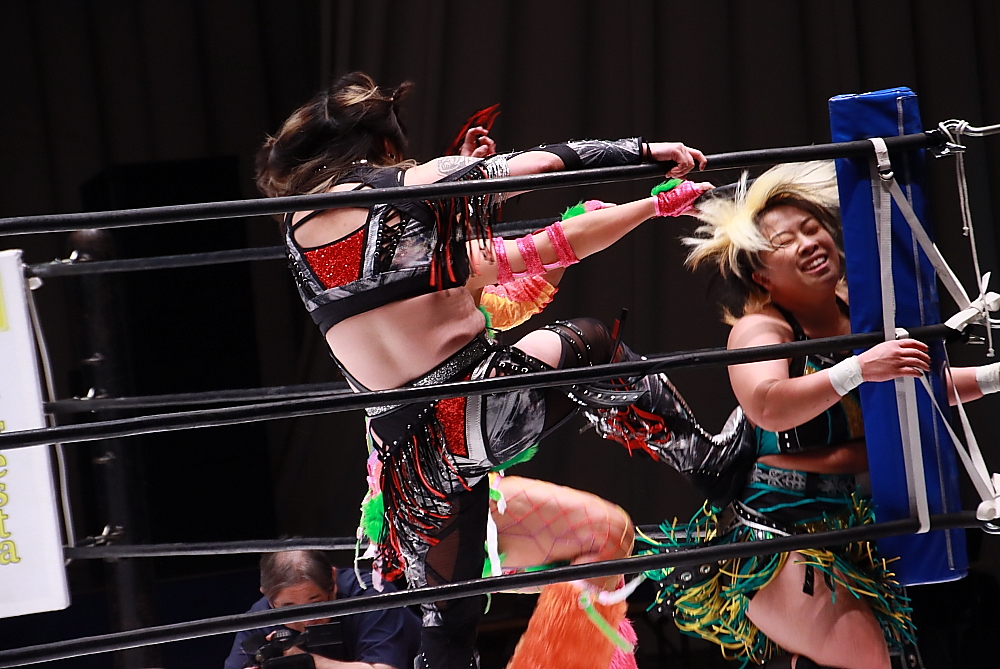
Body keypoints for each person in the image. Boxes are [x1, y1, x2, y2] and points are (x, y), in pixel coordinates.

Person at [255, 71, 740, 669]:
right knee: (591, 343)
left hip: (408, 471)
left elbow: (412, 263)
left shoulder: (299, 229)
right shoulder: (406, 190)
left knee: (449, 632)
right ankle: (708, 463)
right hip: (471, 411)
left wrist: (458, 183)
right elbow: (544, 174)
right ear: (381, 146)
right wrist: (645, 158)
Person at [648, 160, 1000, 669]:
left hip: (861, 526)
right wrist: (858, 368)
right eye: (784, 241)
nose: (808, 243)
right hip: (779, 533)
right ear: (761, 276)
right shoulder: (761, 329)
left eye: (812, 228)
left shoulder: (859, 309)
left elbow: (915, 384)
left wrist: (991, 377)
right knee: (867, 657)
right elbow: (768, 405)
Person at [223, 550, 420, 669]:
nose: (307, 621)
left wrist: (305, 662)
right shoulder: (260, 617)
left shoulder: (370, 595)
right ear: (268, 598)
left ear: (333, 579)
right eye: (289, 610)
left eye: (315, 604)